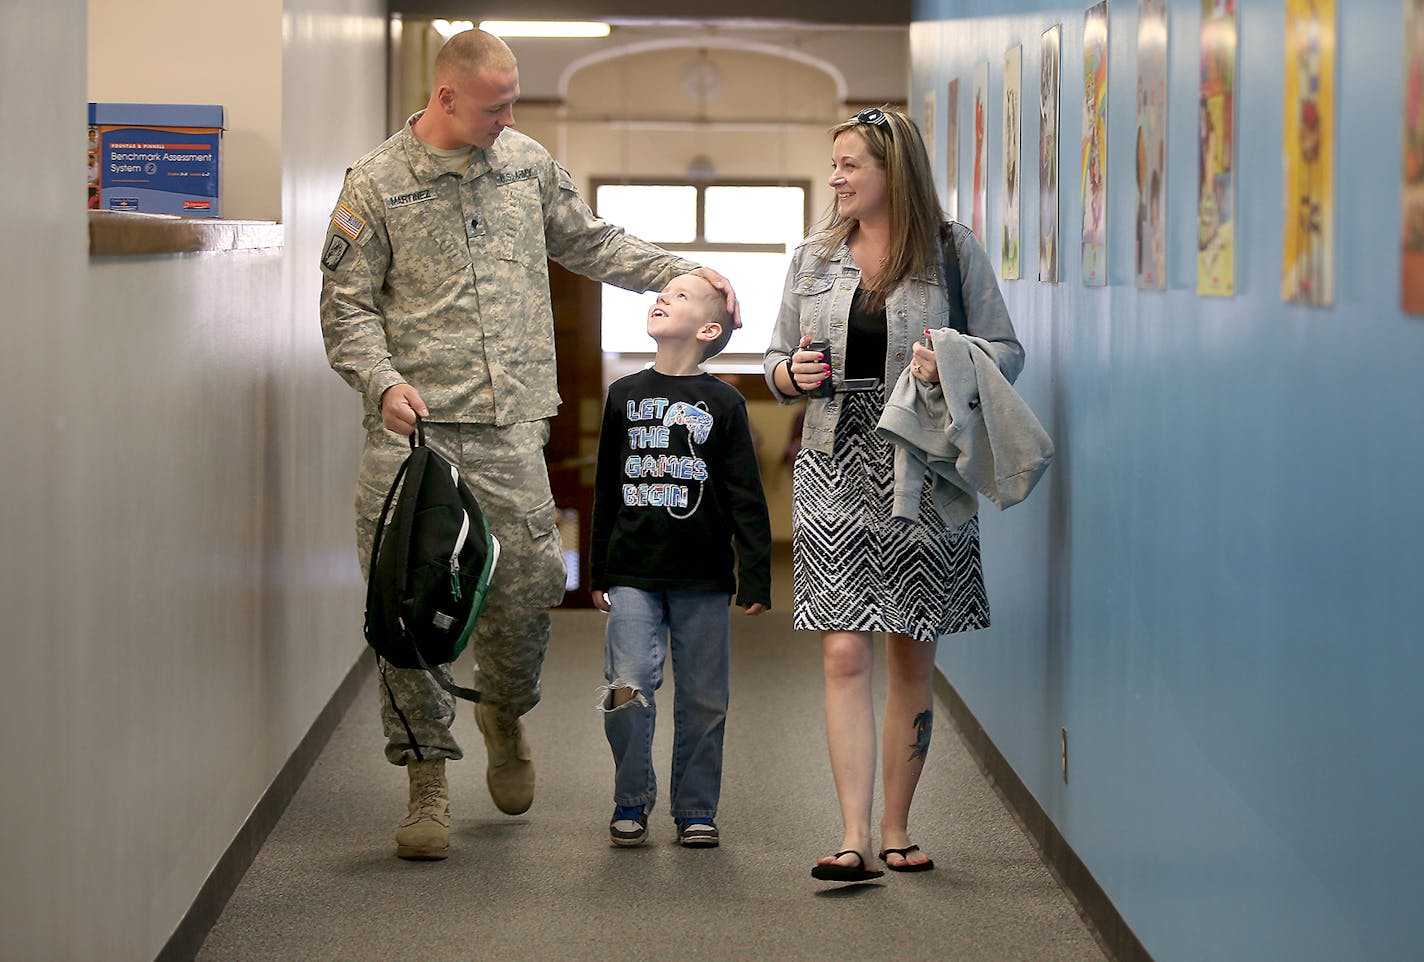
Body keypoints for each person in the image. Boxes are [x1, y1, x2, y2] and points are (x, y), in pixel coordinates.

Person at [319, 28, 739, 861]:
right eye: (496, 105)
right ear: (446, 98)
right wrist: (381, 383)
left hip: (512, 428)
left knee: (529, 588)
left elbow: (590, 240)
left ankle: (504, 711)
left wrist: (681, 274)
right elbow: (347, 309)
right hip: (417, 437)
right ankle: (426, 782)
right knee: (402, 609)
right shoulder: (373, 186)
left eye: (514, 102)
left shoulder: (524, 165)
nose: (509, 117)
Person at [763, 106, 1024, 882]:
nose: (836, 177)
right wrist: (790, 376)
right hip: (835, 460)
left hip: (924, 464)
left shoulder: (951, 251)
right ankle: (850, 836)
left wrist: (958, 363)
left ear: (893, 172)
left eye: (850, 165)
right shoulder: (814, 257)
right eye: (834, 163)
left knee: (912, 650)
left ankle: (897, 828)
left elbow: (1008, 352)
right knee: (844, 649)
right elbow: (776, 361)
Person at [590, 273, 772, 850]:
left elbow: (746, 494)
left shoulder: (725, 403)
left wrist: (756, 574)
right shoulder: (623, 395)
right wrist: (597, 571)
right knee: (628, 686)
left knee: (702, 697)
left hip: (703, 576)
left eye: (681, 296)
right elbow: (606, 488)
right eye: (661, 292)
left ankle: (695, 808)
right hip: (633, 570)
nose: (662, 298)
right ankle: (631, 797)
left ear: (709, 329)